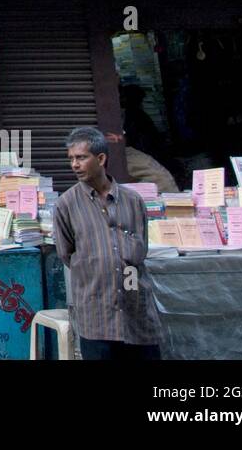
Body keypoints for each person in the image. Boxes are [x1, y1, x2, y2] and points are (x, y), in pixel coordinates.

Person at [54, 126, 163, 361]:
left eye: (81, 157)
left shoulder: (133, 201)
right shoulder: (67, 204)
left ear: (101, 158)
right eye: (71, 159)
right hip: (96, 314)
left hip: (136, 312)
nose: (74, 164)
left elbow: (139, 248)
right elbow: (67, 254)